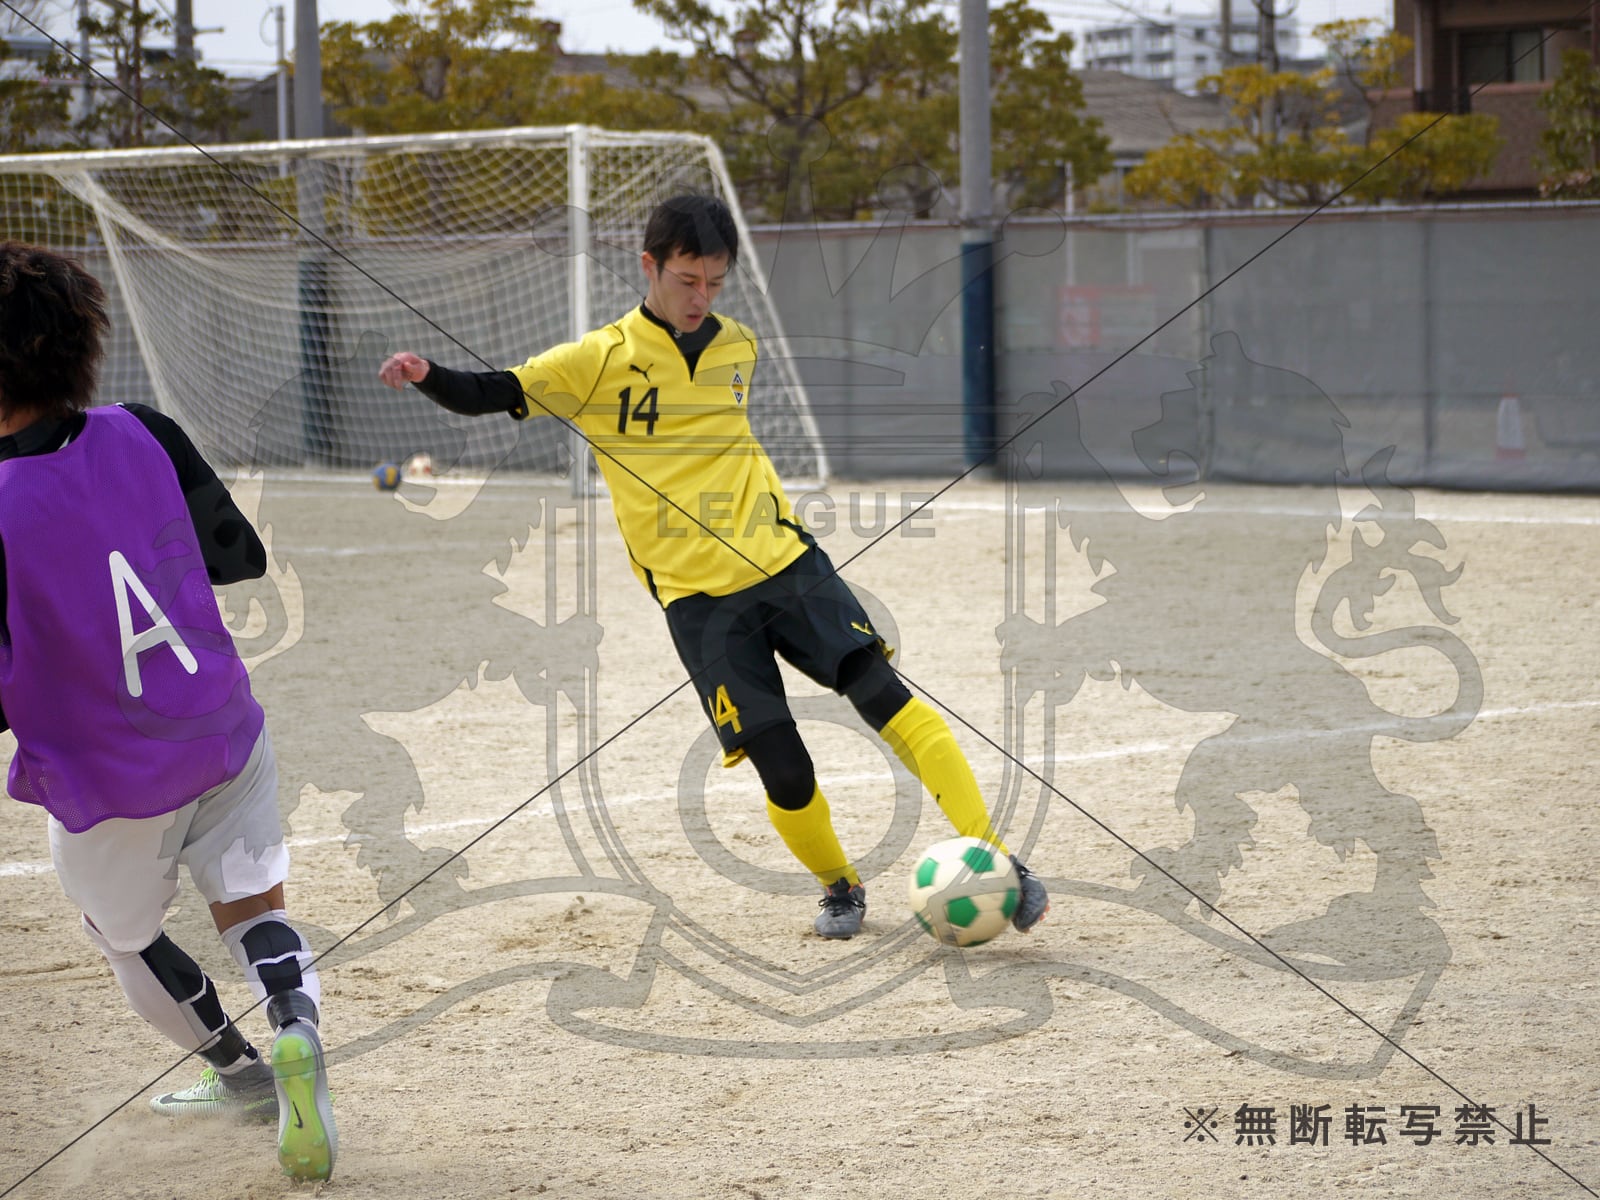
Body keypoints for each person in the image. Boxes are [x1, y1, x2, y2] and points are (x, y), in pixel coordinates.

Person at [378, 193, 1047, 940]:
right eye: (688, 280)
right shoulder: (596, 361)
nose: (701, 297)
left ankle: (1000, 860)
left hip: (786, 563)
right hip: (698, 602)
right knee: (784, 769)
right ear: (650, 266)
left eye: (715, 283)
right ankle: (839, 885)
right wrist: (427, 372)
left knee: (884, 696)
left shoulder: (739, 348)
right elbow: (494, 391)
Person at [0, 243, 336, 1181]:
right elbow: (239, 559)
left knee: (125, 937)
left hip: (109, 778)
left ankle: (240, 1075)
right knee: (254, 908)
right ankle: (296, 1029)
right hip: (223, 732)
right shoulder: (143, 427)